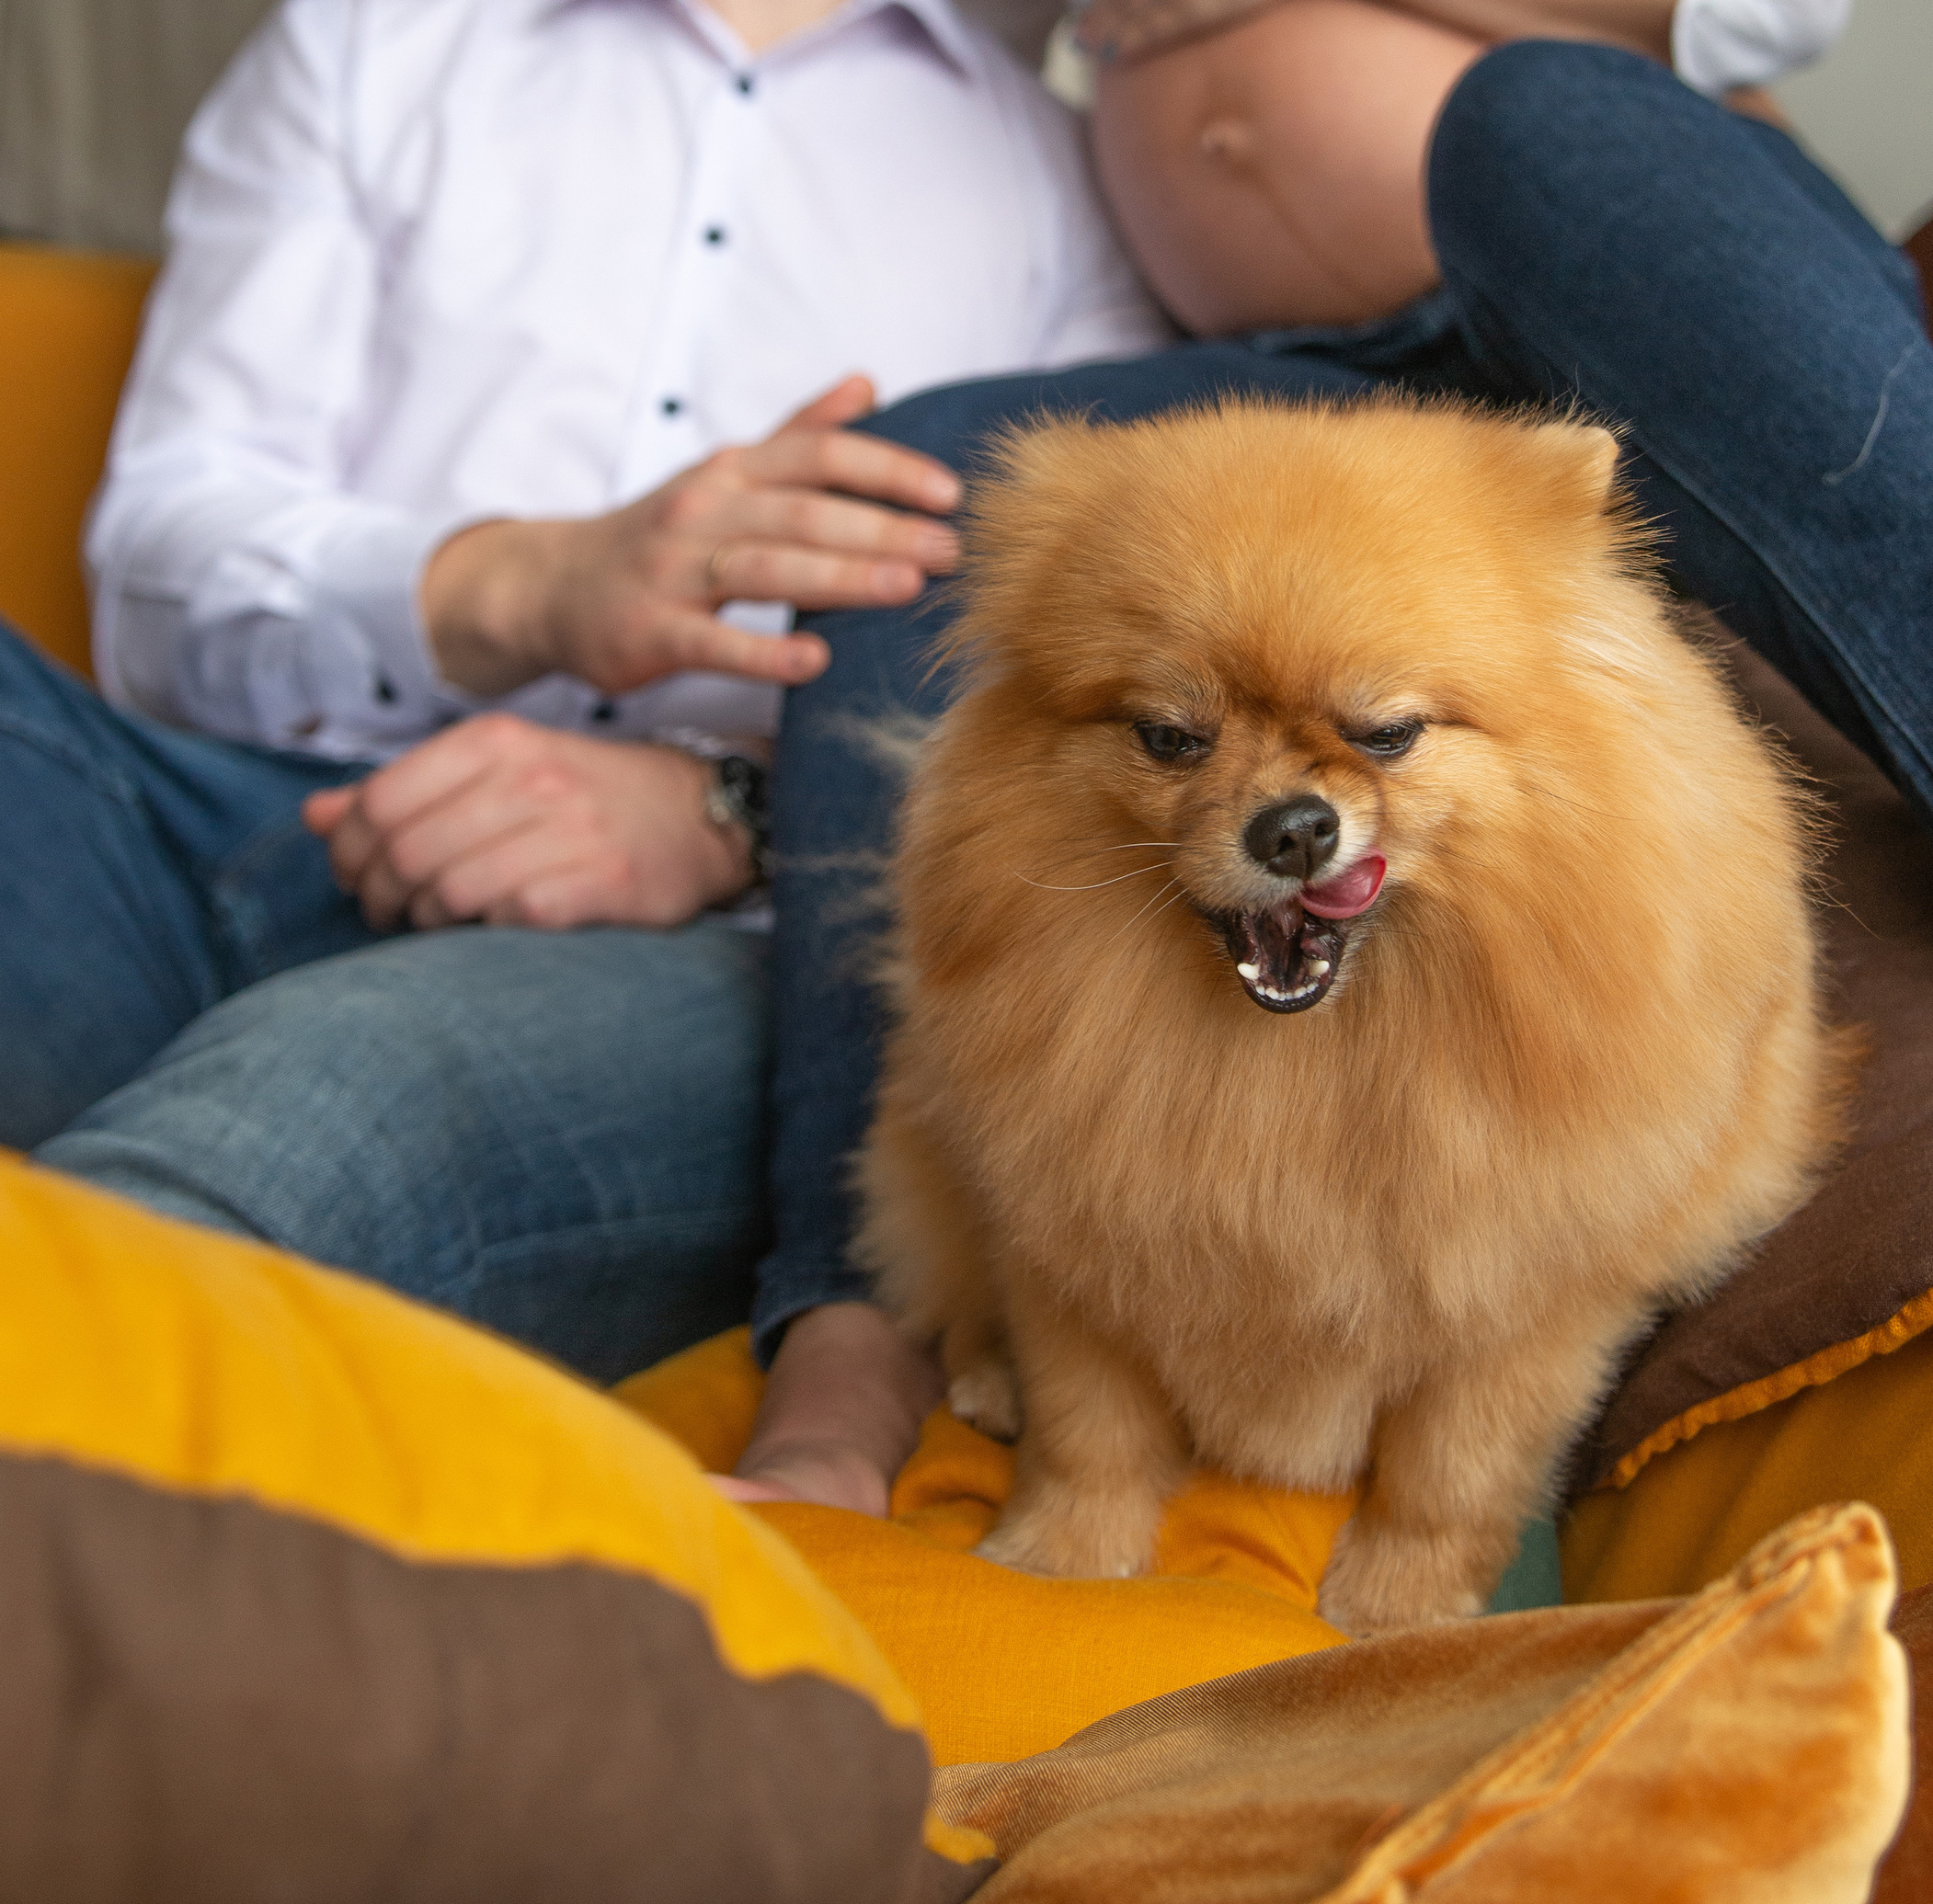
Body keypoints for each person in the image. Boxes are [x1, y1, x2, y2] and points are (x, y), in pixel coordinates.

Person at [721, 6, 1933, 1511]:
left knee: (1535, 119)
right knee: (893, 506)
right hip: (1290, 390)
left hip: (1600, 271)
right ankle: (848, 1334)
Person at [2, 0, 1165, 1383]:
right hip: (226, 834)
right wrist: (533, 585)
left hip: (701, 954)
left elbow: (1073, 721)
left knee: (304, 1110)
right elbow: (154, 573)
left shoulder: (1073, 183)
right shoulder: (369, 39)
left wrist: (733, 805)